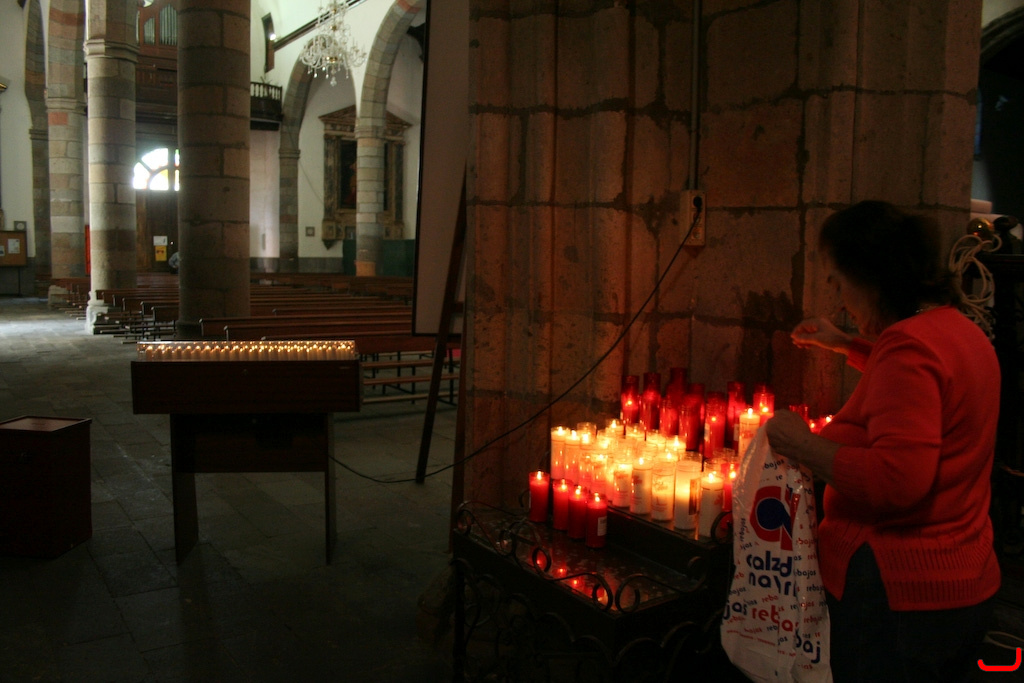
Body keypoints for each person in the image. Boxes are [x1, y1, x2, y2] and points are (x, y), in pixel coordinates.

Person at [765, 200, 1001, 682]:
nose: (838, 300)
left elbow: (897, 481)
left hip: (899, 595)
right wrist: (844, 343)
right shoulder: (959, 330)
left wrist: (800, 444)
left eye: (838, 283)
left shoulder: (908, 348)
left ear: (871, 279)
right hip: (962, 581)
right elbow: (924, 388)